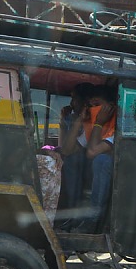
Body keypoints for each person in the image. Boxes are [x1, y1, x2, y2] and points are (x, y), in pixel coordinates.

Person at [61, 84, 117, 233]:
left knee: (101, 160)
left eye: (97, 105)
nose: (93, 110)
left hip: (119, 178)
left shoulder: (117, 126)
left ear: (110, 107)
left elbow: (92, 152)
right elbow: (67, 150)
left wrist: (99, 122)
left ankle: (94, 219)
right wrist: (80, 120)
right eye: (91, 106)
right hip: (94, 177)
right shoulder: (94, 126)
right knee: (72, 159)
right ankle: (72, 214)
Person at [56, 83, 95, 221]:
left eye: (75, 99)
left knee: (72, 159)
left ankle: (71, 214)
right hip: (74, 159)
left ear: (85, 103)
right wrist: (63, 122)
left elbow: (67, 151)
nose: (71, 104)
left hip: (85, 165)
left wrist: (77, 122)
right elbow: (61, 146)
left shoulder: (90, 123)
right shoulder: (73, 118)